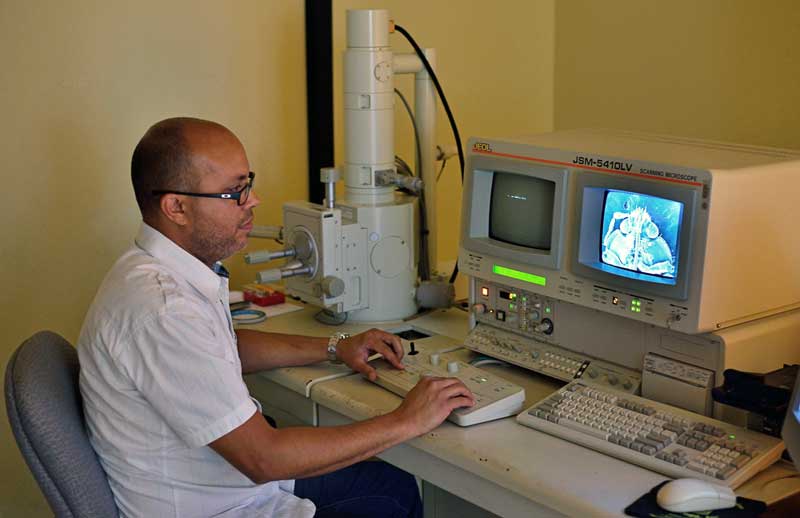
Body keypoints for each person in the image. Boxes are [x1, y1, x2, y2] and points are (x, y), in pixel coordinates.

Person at [77, 117, 475, 517]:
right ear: (176, 207)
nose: (253, 201)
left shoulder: (160, 272)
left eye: (247, 183)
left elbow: (222, 348)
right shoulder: (163, 311)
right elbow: (264, 458)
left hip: (224, 483)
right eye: (234, 192)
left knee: (392, 486)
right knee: (390, 496)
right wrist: (407, 421)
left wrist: (336, 347)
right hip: (221, 505)